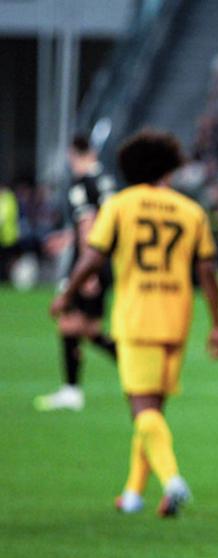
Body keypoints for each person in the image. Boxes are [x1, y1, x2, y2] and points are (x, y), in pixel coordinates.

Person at [50, 129, 218, 516]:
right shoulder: (190, 211)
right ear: (169, 168)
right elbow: (208, 272)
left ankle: (173, 481)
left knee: (142, 408)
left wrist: (66, 293)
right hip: (177, 318)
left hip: (137, 315)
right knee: (153, 410)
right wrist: (216, 325)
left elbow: (93, 257)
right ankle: (133, 493)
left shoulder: (120, 205)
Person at [35, 136, 119, 412]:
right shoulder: (106, 181)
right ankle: (133, 367)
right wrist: (66, 238)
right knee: (90, 330)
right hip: (104, 261)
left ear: (74, 154)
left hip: (89, 264)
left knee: (68, 324)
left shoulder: (81, 183)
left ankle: (72, 391)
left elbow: (88, 224)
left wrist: (87, 271)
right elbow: (103, 225)